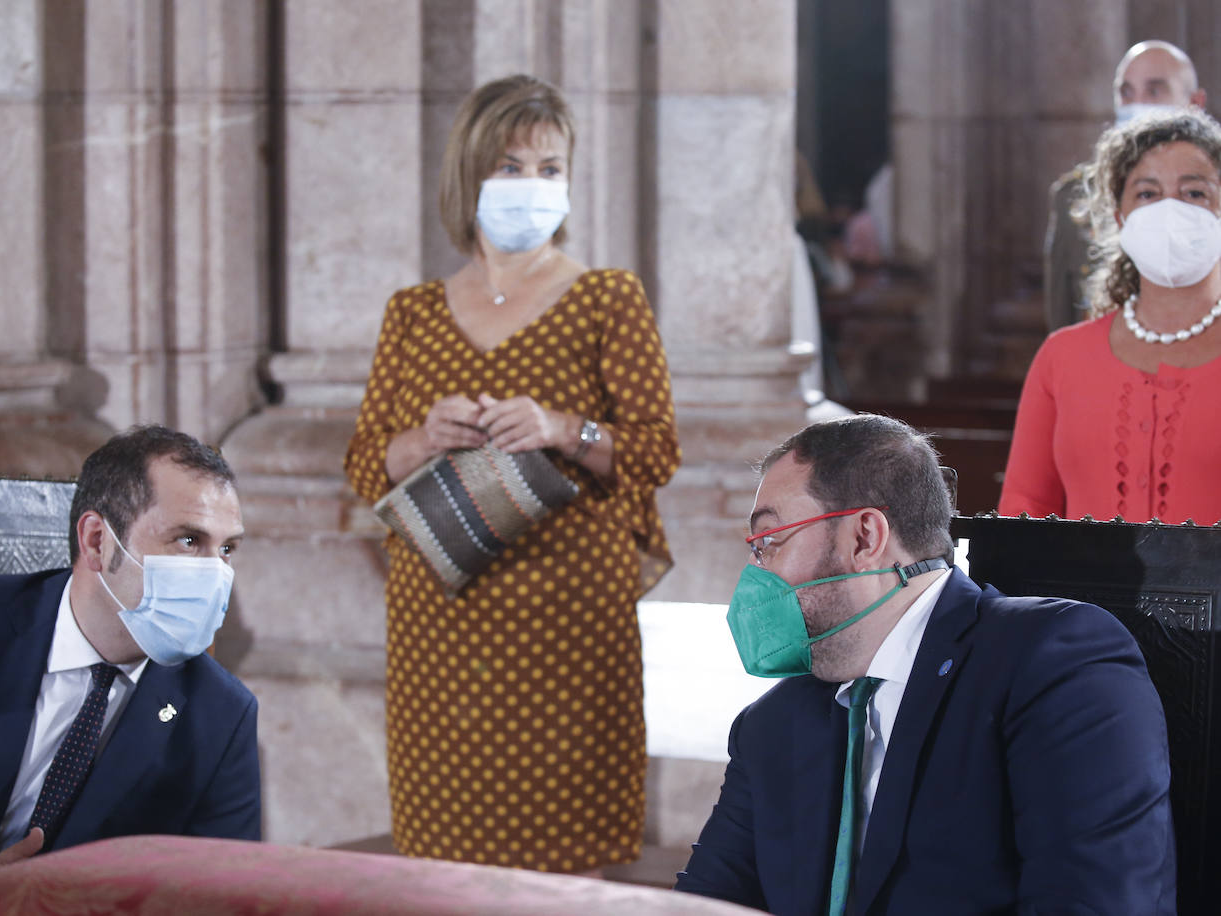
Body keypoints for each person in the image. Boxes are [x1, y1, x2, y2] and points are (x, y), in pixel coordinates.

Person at [344, 73, 680, 874]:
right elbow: (364, 466)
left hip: (570, 617)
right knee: (444, 856)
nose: (532, 187)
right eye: (511, 167)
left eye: (549, 169)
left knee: (571, 854)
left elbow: (656, 450)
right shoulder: (413, 311)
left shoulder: (607, 297)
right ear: (470, 176)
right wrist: (423, 438)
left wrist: (562, 427)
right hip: (442, 619)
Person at [676, 414, 1175, 914]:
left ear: (863, 538)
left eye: (769, 542)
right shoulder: (771, 725)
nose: (754, 575)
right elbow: (703, 903)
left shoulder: (1055, 661)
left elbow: (1096, 902)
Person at [0, 425, 261, 914]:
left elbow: (226, 896)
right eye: (189, 540)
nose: (217, 575)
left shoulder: (222, 716)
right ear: (96, 541)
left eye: (227, 548)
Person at [1002, 108, 1221, 523]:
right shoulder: (1062, 356)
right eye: (1147, 193)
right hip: (1076, 590)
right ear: (1120, 218)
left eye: (1194, 193)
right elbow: (1023, 512)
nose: (1170, 210)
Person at [1044, 40, 1208, 331]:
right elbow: (1062, 317)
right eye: (1126, 92)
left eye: (1154, 90)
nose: (1137, 105)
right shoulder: (1076, 197)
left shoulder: (1214, 191)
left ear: (1194, 103)